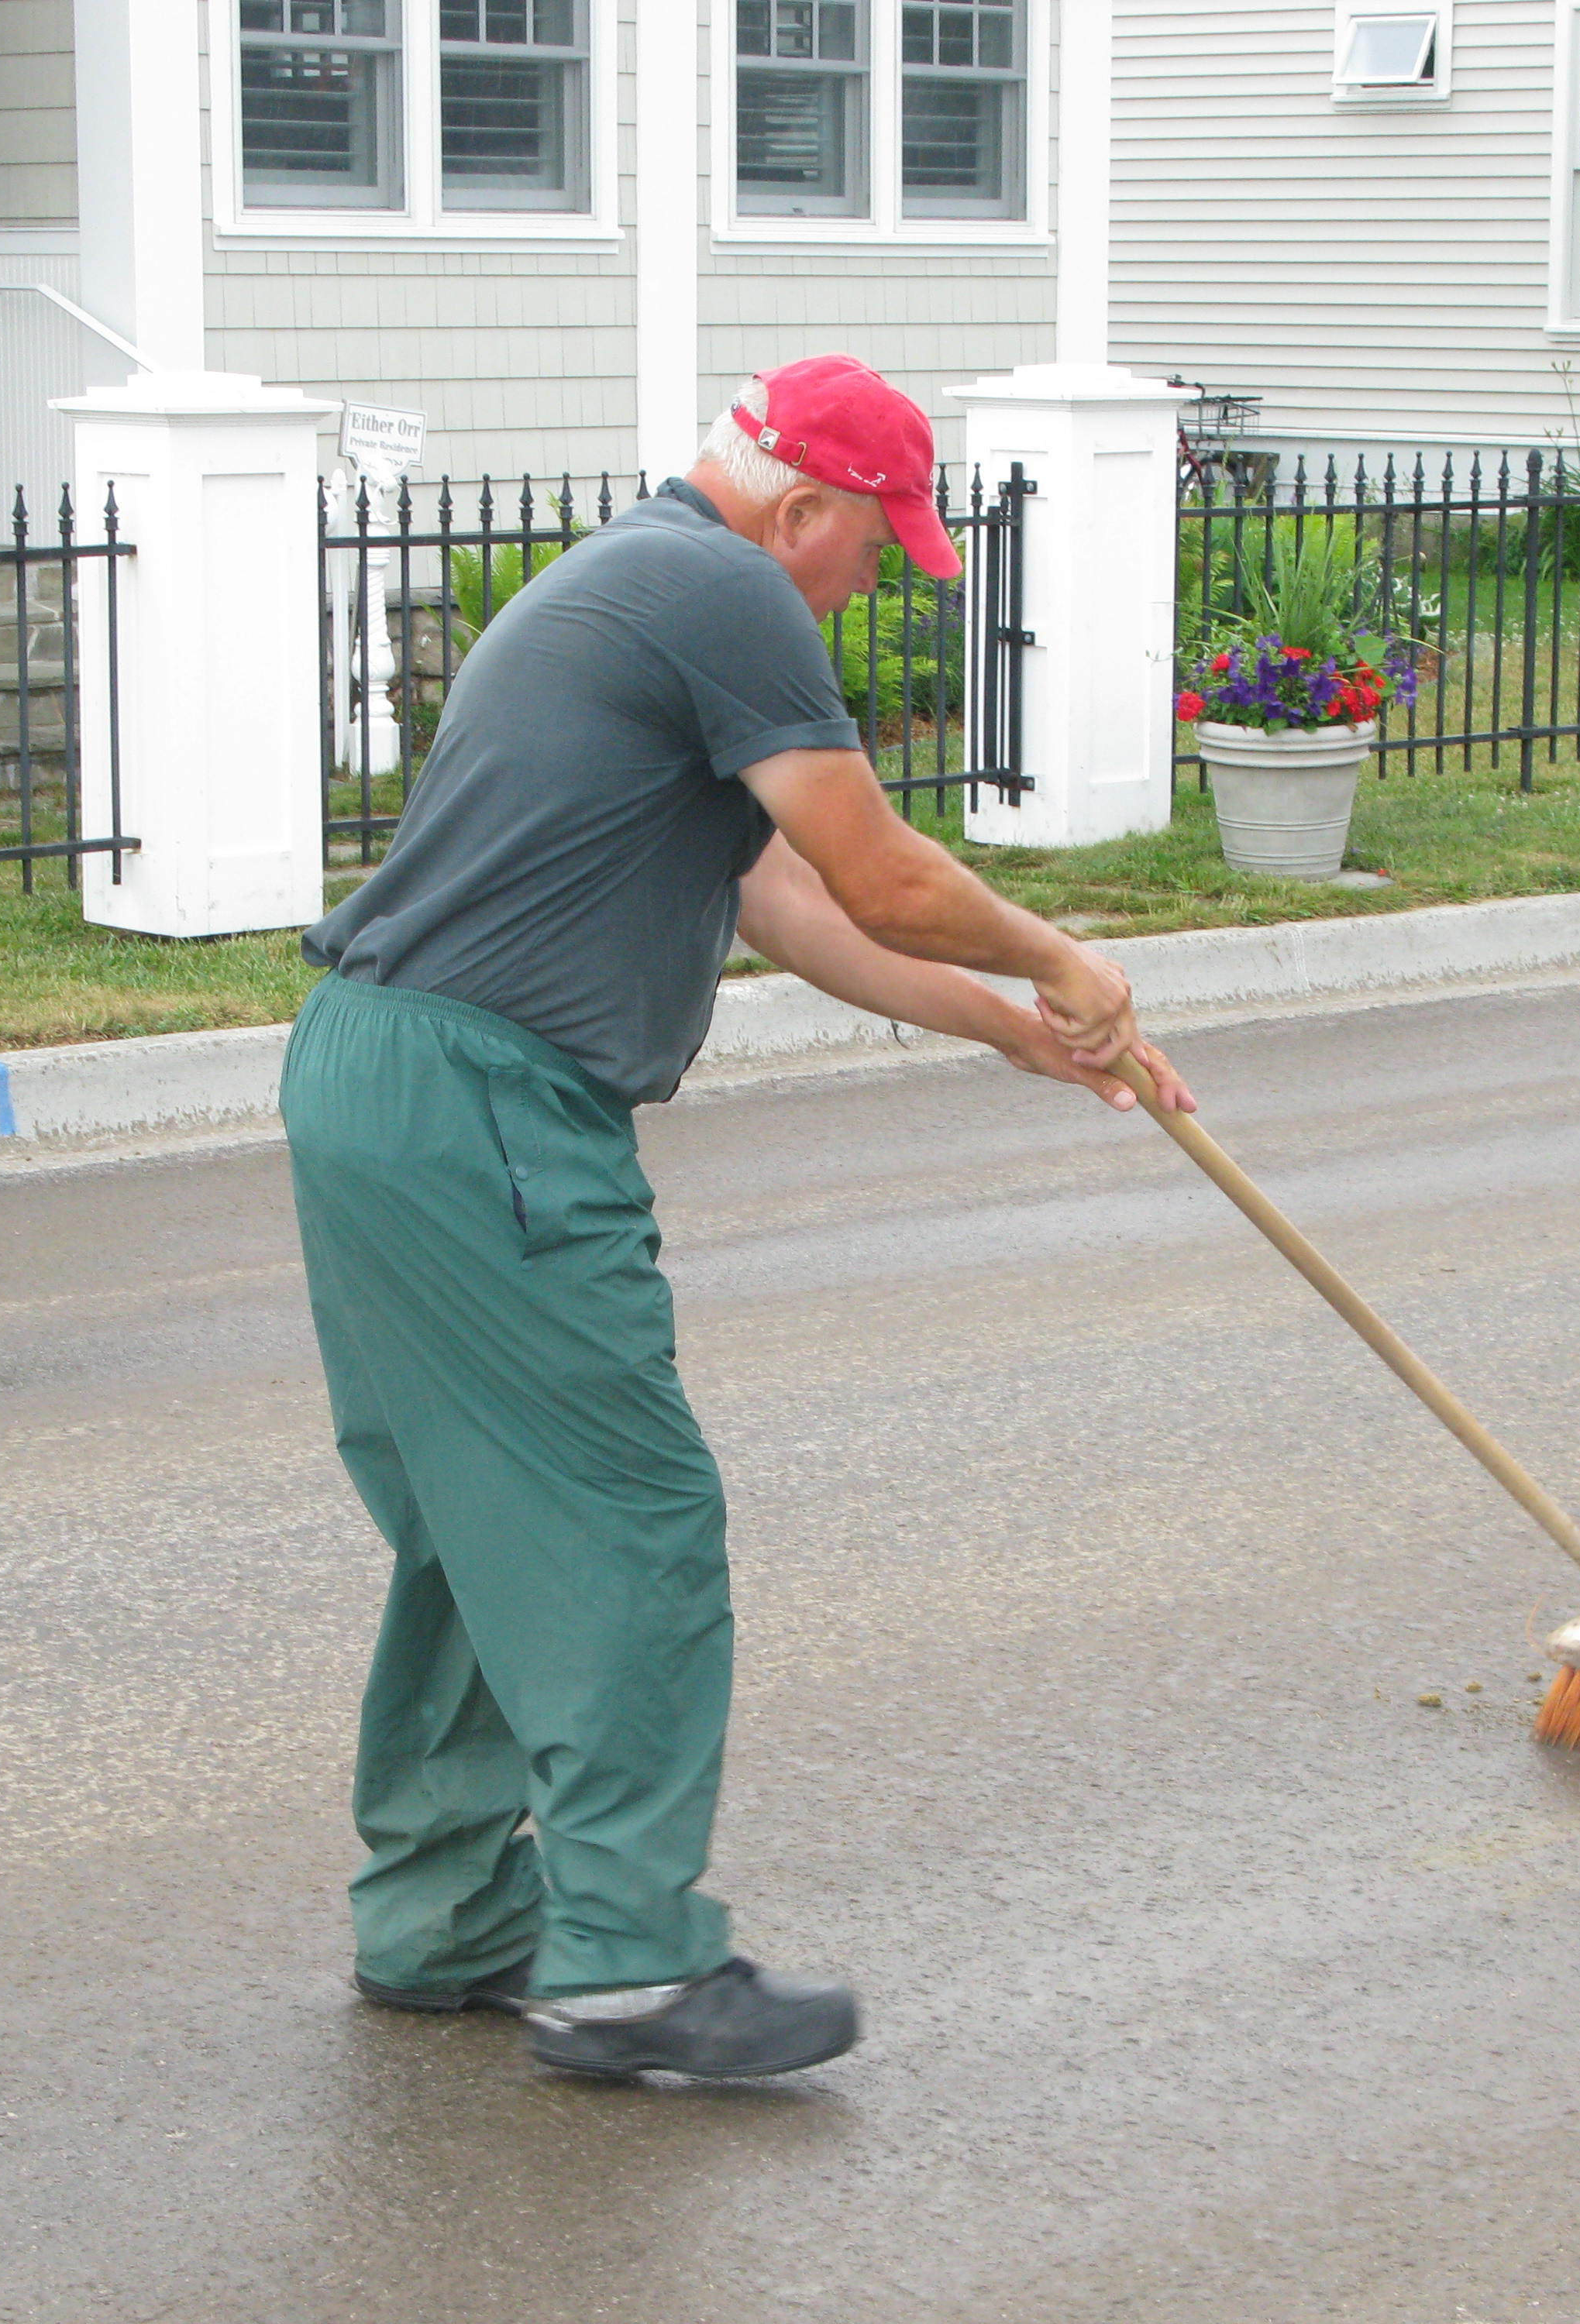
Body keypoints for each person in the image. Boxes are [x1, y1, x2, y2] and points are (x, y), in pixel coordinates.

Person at [282, 353, 1193, 2082]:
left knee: (488, 1523)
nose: (873, 589)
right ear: (800, 513)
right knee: (625, 1520)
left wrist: (1021, 1034)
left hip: (378, 1077)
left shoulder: (635, 587)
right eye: (874, 550)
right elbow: (880, 871)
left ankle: (441, 1918)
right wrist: (1063, 955)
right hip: (487, 1106)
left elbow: (784, 901)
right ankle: (625, 1968)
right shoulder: (720, 587)